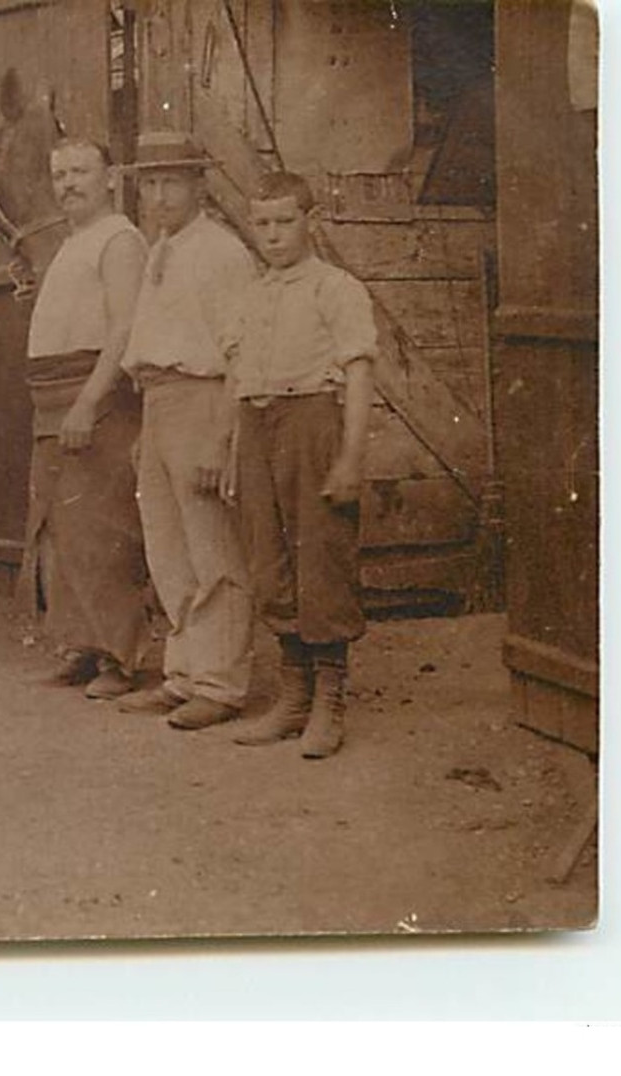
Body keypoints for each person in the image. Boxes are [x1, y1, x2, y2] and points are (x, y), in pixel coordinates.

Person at [224, 171, 377, 758]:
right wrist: (233, 449)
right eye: (262, 223)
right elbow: (236, 379)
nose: (273, 234)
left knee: (321, 554)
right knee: (270, 558)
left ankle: (329, 701)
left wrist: (350, 458)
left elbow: (360, 371)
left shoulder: (335, 288)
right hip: (256, 425)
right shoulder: (252, 294)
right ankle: (292, 696)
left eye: (285, 221)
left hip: (312, 419)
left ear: (309, 221)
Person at [115, 132, 258, 730]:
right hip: (159, 400)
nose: (160, 194)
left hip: (203, 399)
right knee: (167, 549)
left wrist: (223, 437)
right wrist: (149, 425)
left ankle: (222, 684)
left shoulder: (222, 253)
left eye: (173, 181)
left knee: (211, 548)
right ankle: (184, 674)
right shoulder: (160, 249)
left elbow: (242, 349)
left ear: (200, 185)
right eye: (150, 182)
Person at [23, 137, 149, 700]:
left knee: (104, 528)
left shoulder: (120, 240)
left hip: (91, 399)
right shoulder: (75, 239)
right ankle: (82, 645)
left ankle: (120, 656)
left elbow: (123, 330)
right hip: (53, 398)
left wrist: (89, 403)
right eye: (59, 173)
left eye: (80, 171)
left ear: (110, 178)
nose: (68, 183)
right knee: (66, 529)